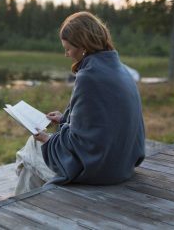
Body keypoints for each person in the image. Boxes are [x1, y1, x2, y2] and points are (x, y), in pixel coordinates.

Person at [14, 11, 145, 195]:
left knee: (31, 148)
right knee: (34, 154)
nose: (66, 54)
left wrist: (45, 138)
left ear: (83, 46)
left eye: (68, 49)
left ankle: (22, 205)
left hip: (101, 169)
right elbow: (99, 123)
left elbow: (81, 141)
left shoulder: (89, 77)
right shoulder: (120, 69)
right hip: (122, 163)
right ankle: (27, 201)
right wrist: (64, 119)